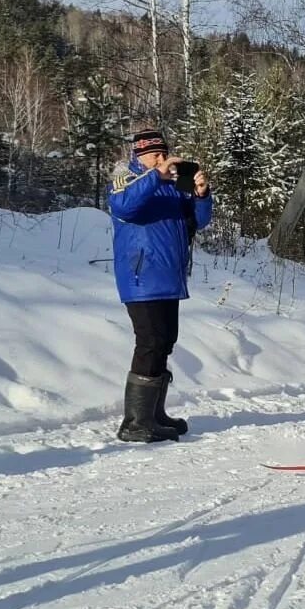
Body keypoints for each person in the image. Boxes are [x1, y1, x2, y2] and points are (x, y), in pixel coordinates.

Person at [108, 127, 213, 442]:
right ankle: (135, 422)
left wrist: (201, 193)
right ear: (140, 155)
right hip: (142, 278)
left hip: (169, 278)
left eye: (165, 153)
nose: (163, 159)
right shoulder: (126, 180)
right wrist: (156, 176)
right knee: (149, 342)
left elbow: (200, 220)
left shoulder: (173, 185)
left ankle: (154, 414)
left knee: (164, 342)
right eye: (156, 154)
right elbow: (124, 207)